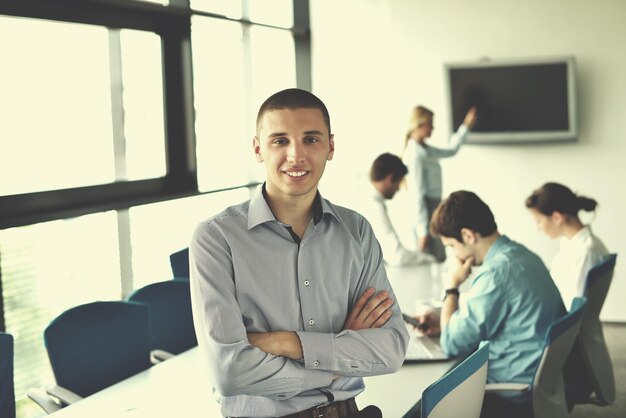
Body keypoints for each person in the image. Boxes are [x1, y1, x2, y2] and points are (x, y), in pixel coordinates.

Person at [189, 88, 409, 418]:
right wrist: (337, 356)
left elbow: (391, 349)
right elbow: (228, 372)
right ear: (257, 148)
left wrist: (289, 343)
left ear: (330, 147)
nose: (296, 155)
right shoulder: (216, 238)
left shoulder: (357, 231)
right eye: (280, 141)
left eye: (311, 139)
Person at [405, 190, 565, 418]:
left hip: (511, 395)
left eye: (451, 246)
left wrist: (452, 286)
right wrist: (444, 319)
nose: (453, 254)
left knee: (417, 410)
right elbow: (493, 310)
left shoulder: (496, 273)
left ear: (468, 235)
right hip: (541, 380)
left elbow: (452, 343)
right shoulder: (521, 255)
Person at [402, 105, 477, 262]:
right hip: (426, 210)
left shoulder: (426, 149)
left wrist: (466, 126)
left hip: (435, 206)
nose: (433, 128)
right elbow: (418, 195)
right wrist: (423, 232)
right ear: (420, 125)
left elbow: (451, 150)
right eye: (430, 124)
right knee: (431, 259)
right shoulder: (415, 154)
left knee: (439, 257)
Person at [525, 182, 609, 308]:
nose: (538, 228)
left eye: (539, 221)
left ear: (556, 218)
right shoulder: (571, 244)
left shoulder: (585, 253)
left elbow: (574, 309)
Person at [360, 153, 436, 267]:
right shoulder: (373, 206)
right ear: (390, 178)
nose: (398, 189)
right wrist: (430, 259)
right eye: (399, 182)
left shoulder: (364, 198)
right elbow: (397, 256)